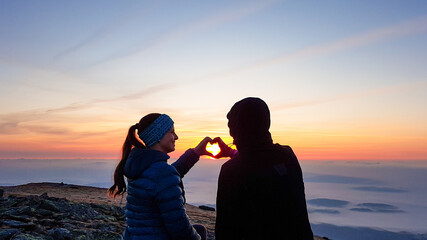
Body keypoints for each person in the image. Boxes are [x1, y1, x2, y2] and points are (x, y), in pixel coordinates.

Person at [214, 97, 314, 240]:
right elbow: (260, 158)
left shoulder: (231, 171)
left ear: (235, 130)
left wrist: (234, 156)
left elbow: (225, 229)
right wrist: (231, 153)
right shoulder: (287, 155)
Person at [109, 113, 210, 240]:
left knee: (199, 229)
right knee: (200, 233)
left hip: (135, 236)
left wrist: (195, 153)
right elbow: (179, 226)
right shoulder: (162, 172)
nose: (176, 137)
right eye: (172, 132)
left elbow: (167, 176)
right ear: (158, 135)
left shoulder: (141, 165)